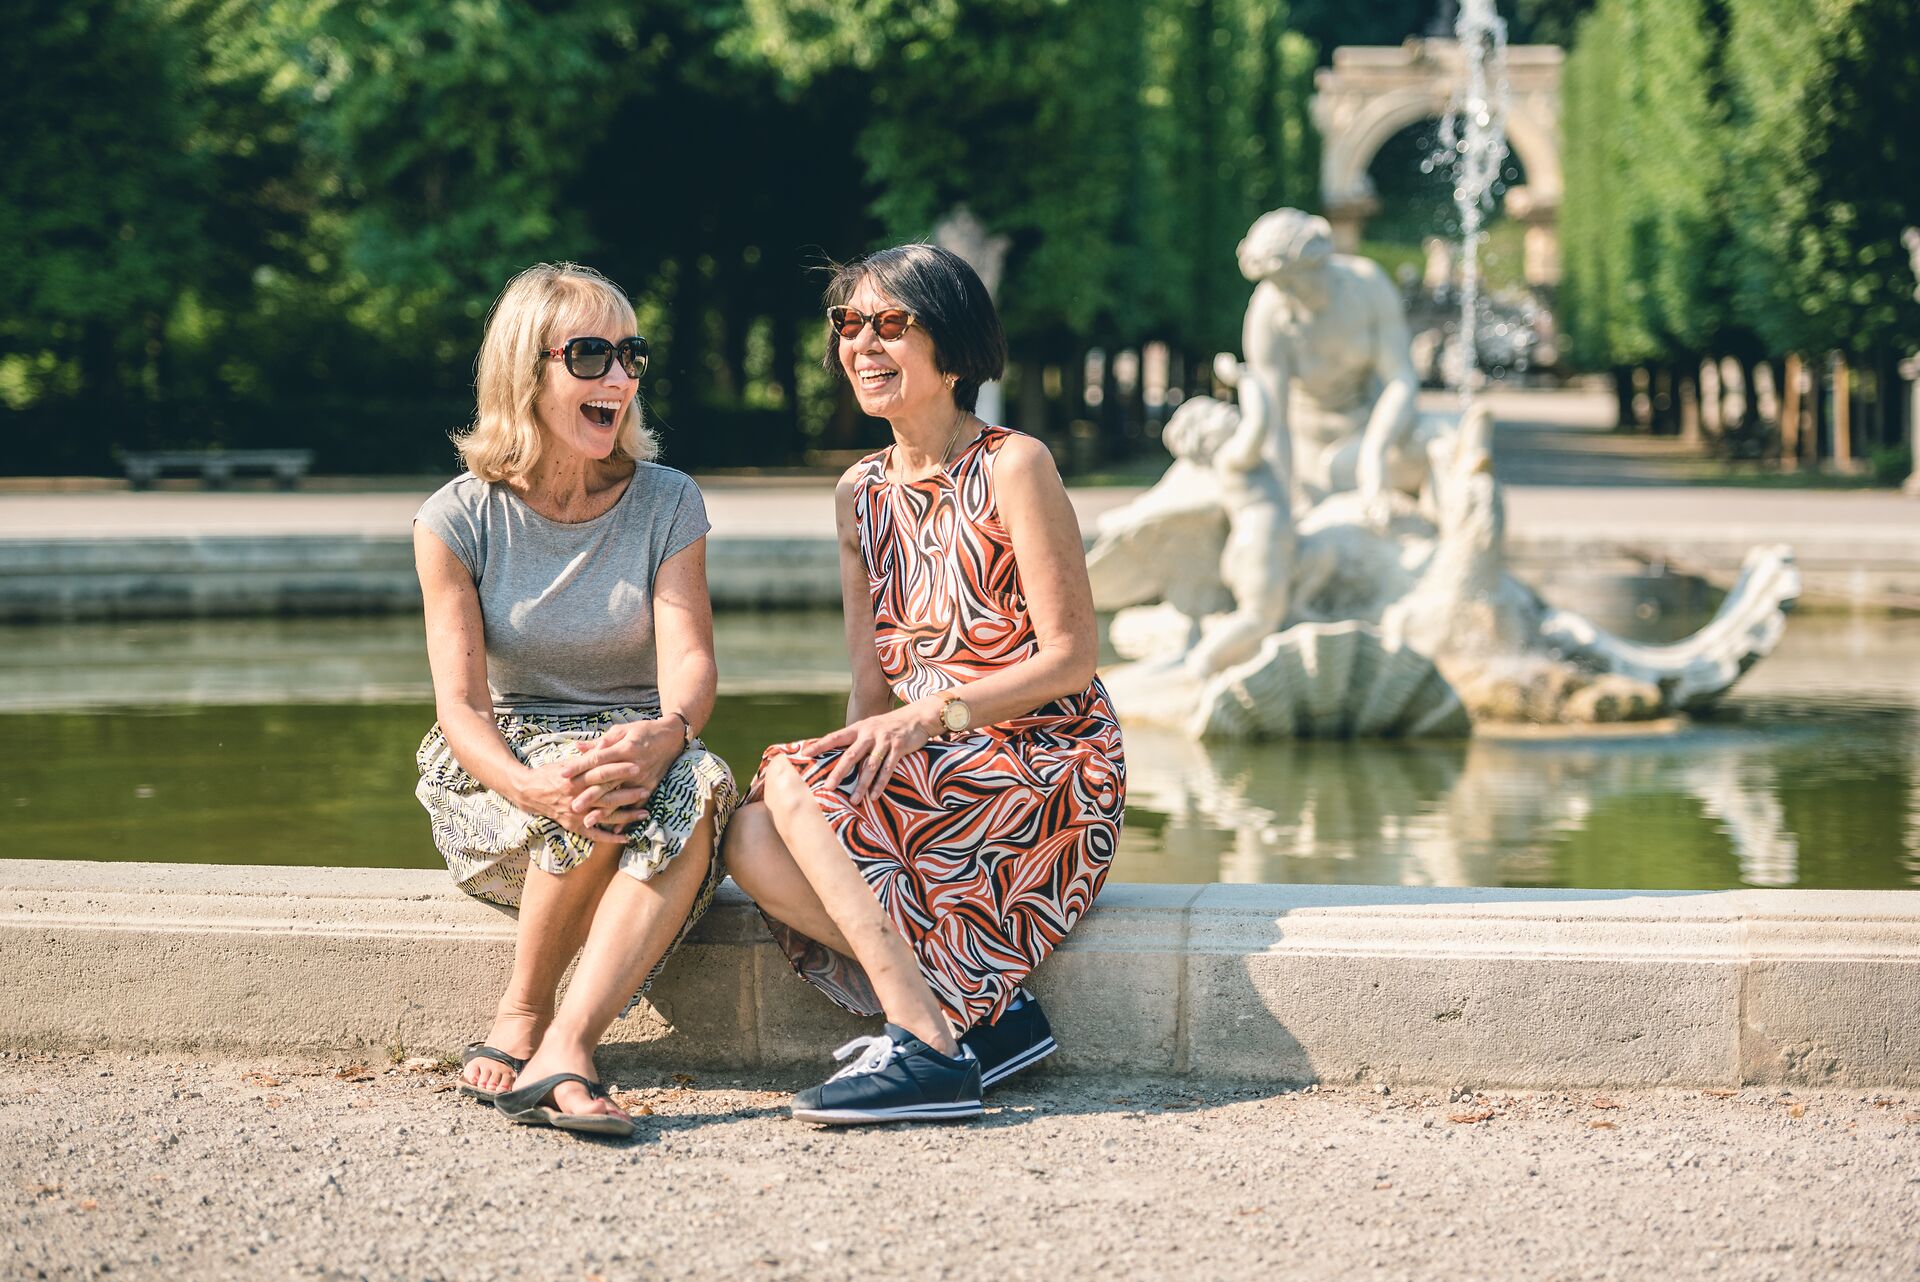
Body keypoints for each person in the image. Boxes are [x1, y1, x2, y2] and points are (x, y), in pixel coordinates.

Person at [723, 244, 1125, 1125]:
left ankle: (927, 1047)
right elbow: (870, 684)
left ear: (952, 344)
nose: (863, 344)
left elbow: (1072, 658)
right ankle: (985, 1014)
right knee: (751, 834)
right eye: (848, 324)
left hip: (1047, 761)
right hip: (932, 758)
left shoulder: (1016, 464)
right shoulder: (858, 492)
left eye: (890, 324)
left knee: (788, 777)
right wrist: (845, 786)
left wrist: (934, 716)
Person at [413, 262, 738, 1138]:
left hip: (639, 747)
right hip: (503, 771)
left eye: (630, 355)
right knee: (589, 778)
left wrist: (670, 732)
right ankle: (521, 1011)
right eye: (591, 356)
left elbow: (693, 662)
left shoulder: (669, 501)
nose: (620, 379)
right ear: (528, 370)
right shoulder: (456, 519)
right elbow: (462, 709)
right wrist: (532, 788)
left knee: (698, 782)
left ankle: (563, 1041)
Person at [1237, 208, 1430, 507]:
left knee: (1443, 447)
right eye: (1279, 285)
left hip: (1373, 434)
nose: (1286, 293)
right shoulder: (1268, 310)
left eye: (1292, 281)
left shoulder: (1368, 285)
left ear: (1319, 263)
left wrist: (1374, 452)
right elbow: (1274, 419)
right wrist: (1284, 502)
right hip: (1306, 449)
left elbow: (1401, 379)